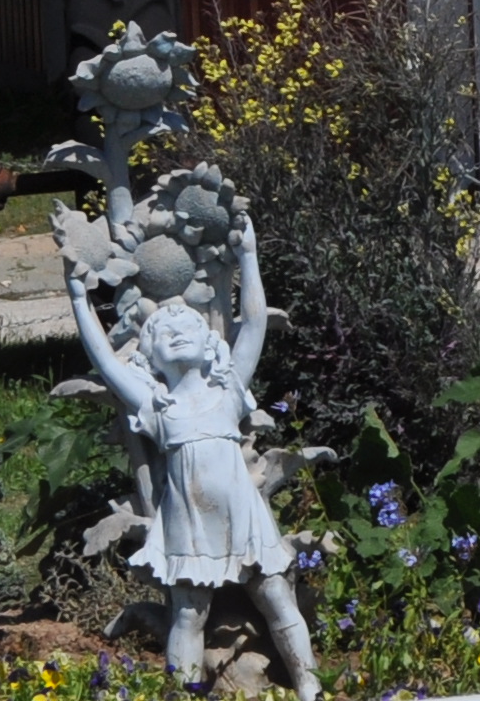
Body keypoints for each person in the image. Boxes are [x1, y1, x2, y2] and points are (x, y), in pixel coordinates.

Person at [69, 212, 319, 699]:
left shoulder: (228, 390)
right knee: (188, 610)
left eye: (187, 323)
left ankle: (311, 685)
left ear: (210, 345)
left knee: (276, 595)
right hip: (189, 519)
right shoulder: (155, 403)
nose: (177, 329)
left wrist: (248, 256)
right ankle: (183, 692)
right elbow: (102, 357)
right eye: (163, 331)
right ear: (151, 356)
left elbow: (251, 328)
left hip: (243, 514)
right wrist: (79, 299)